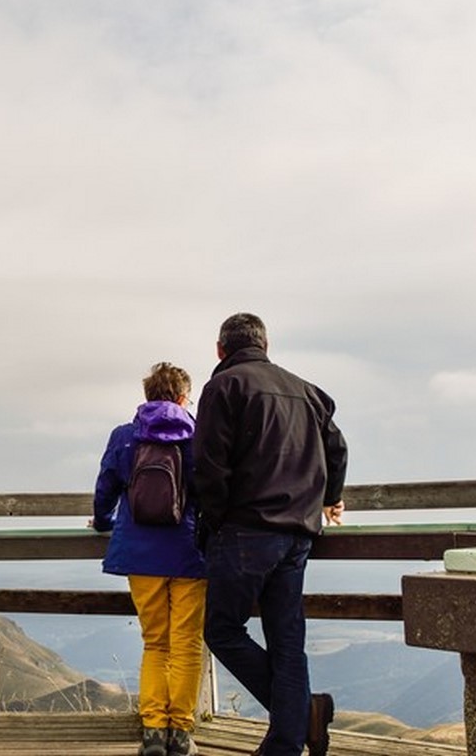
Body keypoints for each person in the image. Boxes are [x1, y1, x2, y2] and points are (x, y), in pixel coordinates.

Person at [193, 313, 348, 756]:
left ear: (220, 349)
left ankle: (298, 718)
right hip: (299, 534)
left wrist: (219, 518)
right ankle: (287, 738)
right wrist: (328, 498)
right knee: (287, 640)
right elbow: (337, 449)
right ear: (266, 344)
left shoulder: (223, 387)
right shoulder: (307, 391)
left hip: (244, 531)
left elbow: (209, 464)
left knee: (222, 630)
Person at [92, 362, 206, 756]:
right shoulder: (198, 435)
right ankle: (182, 733)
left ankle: (154, 732)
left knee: (155, 643)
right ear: (181, 397)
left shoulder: (124, 437)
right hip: (190, 553)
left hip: (140, 554)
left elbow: (106, 487)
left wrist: (102, 522)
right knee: (187, 644)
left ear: (147, 395)